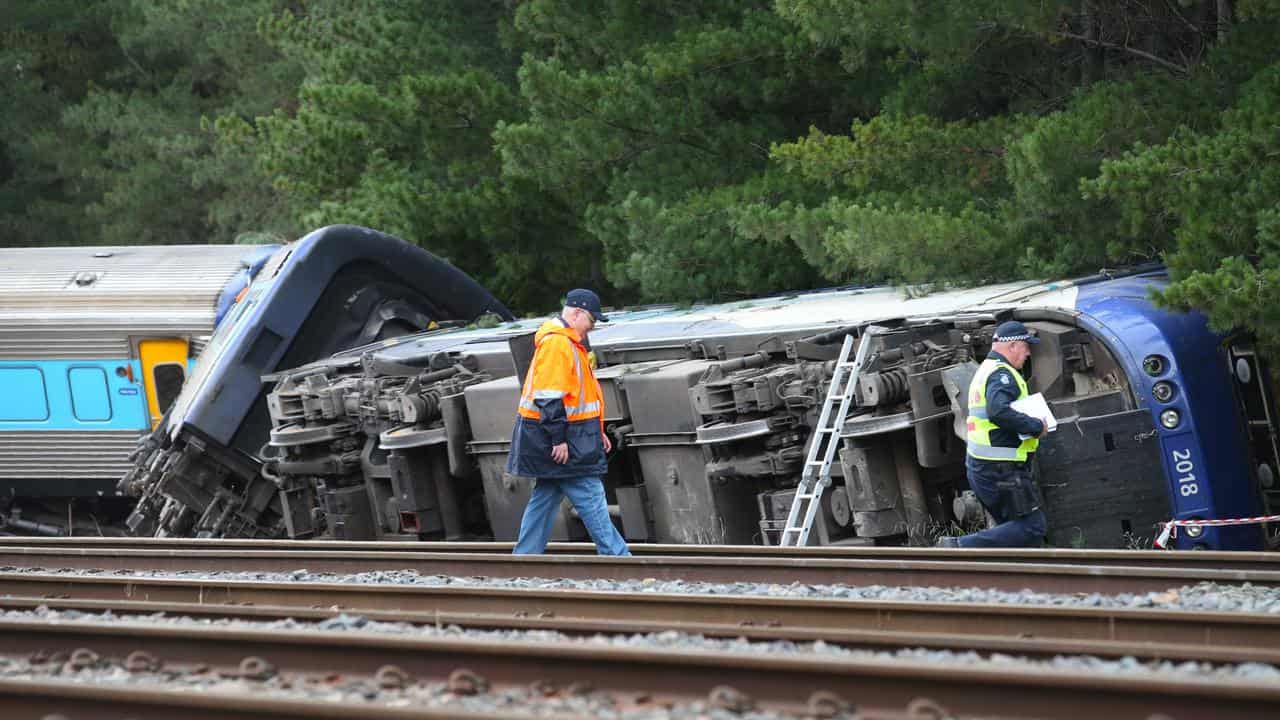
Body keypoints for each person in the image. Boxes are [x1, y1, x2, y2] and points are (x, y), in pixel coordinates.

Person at [508, 288, 631, 556]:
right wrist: (559, 439)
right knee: (590, 494)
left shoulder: (567, 343)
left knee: (546, 497)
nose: (592, 327)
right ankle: (619, 559)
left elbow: (578, 397)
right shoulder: (558, 344)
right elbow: (549, 395)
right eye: (591, 320)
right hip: (561, 438)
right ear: (576, 313)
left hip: (567, 434)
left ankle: (524, 559)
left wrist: (596, 431)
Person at [937, 320, 1049, 548]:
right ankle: (958, 547)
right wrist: (1035, 426)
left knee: (1017, 537)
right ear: (1013, 346)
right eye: (1026, 346)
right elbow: (998, 411)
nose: (1028, 353)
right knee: (1031, 527)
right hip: (1001, 469)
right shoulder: (1002, 374)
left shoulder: (986, 369)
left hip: (987, 467)